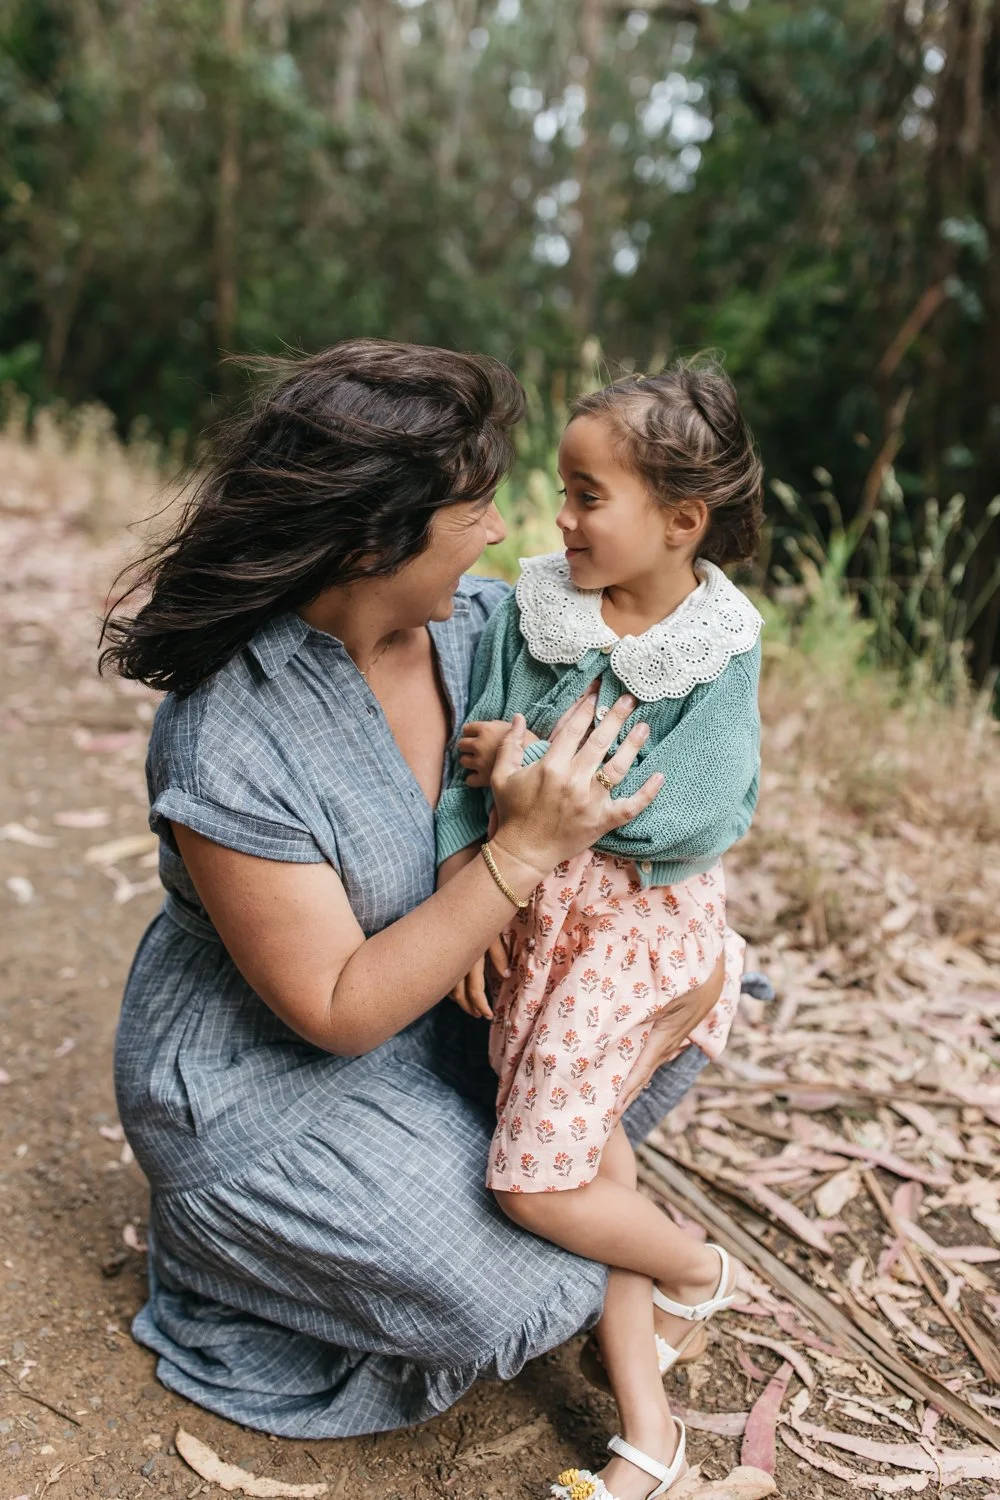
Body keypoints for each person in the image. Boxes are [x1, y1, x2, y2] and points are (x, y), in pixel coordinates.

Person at [100, 339, 727, 1440]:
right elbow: (338, 1011)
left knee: (686, 985)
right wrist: (516, 855)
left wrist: (704, 951)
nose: (498, 532)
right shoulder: (228, 736)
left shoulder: (486, 630)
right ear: (374, 536)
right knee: (512, 1293)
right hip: (273, 1086)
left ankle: (527, 1179)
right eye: (472, 509)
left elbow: (650, 788)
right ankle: (237, 1249)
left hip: (449, 1021)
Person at [436, 360, 764, 1499]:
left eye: (587, 496)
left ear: (683, 520)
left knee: (535, 1183)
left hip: (631, 942)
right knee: (599, 1167)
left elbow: (702, 811)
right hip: (530, 922)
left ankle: (699, 1269)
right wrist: (460, 886)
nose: (559, 517)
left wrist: (531, 774)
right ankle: (649, 1443)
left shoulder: (717, 647)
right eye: (562, 490)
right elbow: (460, 766)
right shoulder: (537, 609)